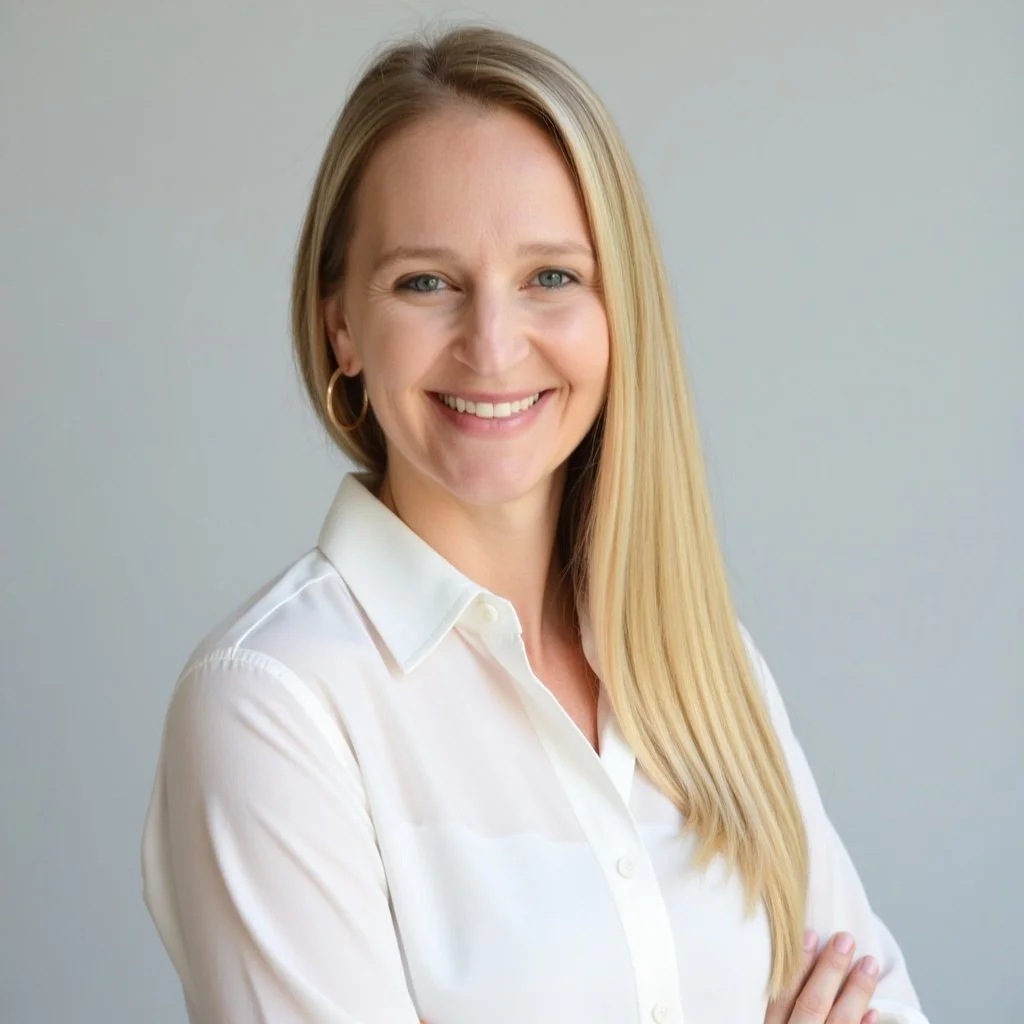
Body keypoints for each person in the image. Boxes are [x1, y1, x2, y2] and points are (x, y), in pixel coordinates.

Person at [140, 23, 929, 1024]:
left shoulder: (703, 663)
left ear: (616, 310)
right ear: (340, 319)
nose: (494, 345)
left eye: (550, 276)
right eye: (425, 282)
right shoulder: (272, 705)